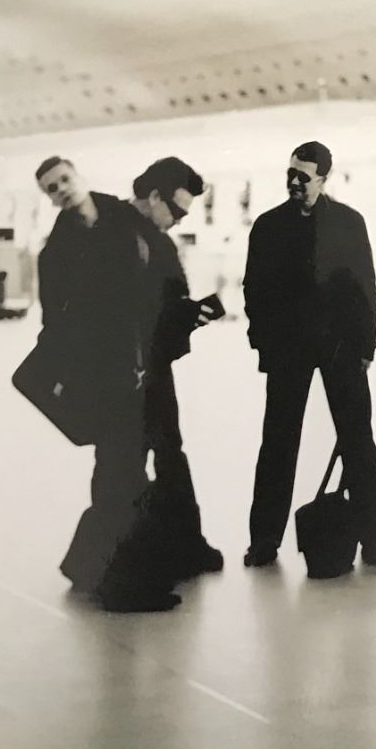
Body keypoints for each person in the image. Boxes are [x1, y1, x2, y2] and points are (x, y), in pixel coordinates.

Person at [33, 155, 177, 612]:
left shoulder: (122, 218)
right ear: (49, 198)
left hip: (143, 358)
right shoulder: (56, 253)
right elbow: (54, 319)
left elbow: (158, 269)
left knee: (119, 466)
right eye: (52, 188)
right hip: (102, 371)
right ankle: (123, 583)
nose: (62, 189)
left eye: (64, 179)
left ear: (79, 176)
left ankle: (88, 565)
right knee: (124, 469)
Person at [242, 141, 376, 569]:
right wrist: (263, 343)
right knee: (278, 442)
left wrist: (366, 345)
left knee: (357, 440)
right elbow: (254, 289)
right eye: (290, 173)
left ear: (324, 178)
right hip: (288, 348)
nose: (294, 182)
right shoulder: (268, 226)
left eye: (303, 176)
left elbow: (366, 286)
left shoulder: (349, 223)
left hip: (340, 346)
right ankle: (264, 541)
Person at [126, 155, 225, 581]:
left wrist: (187, 313)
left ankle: (182, 544)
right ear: (154, 196)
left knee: (165, 452)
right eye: (177, 211)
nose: (180, 220)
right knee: (130, 458)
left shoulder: (157, 240)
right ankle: (125, 557)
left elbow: (165, 300)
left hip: (152, 365)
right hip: (124, 367)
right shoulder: (118, 234)